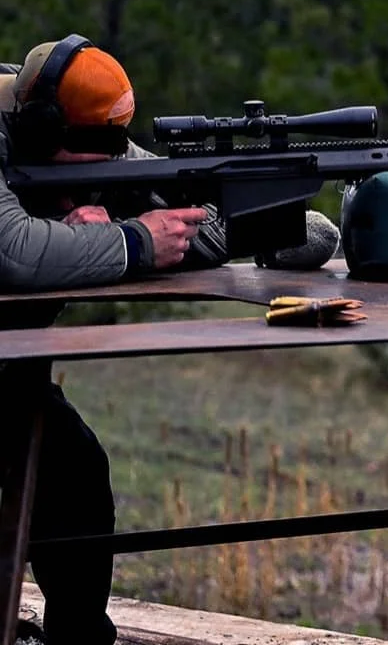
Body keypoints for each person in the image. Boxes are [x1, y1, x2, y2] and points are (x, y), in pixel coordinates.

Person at [0, 36, 335, 644]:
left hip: (11, 376)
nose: (96, 178)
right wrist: (130, 243)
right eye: (84, 163)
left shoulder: (99, 145)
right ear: (44, 131)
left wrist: (275, 220)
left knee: (74, 474)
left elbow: (198, 229)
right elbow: (15, 252)